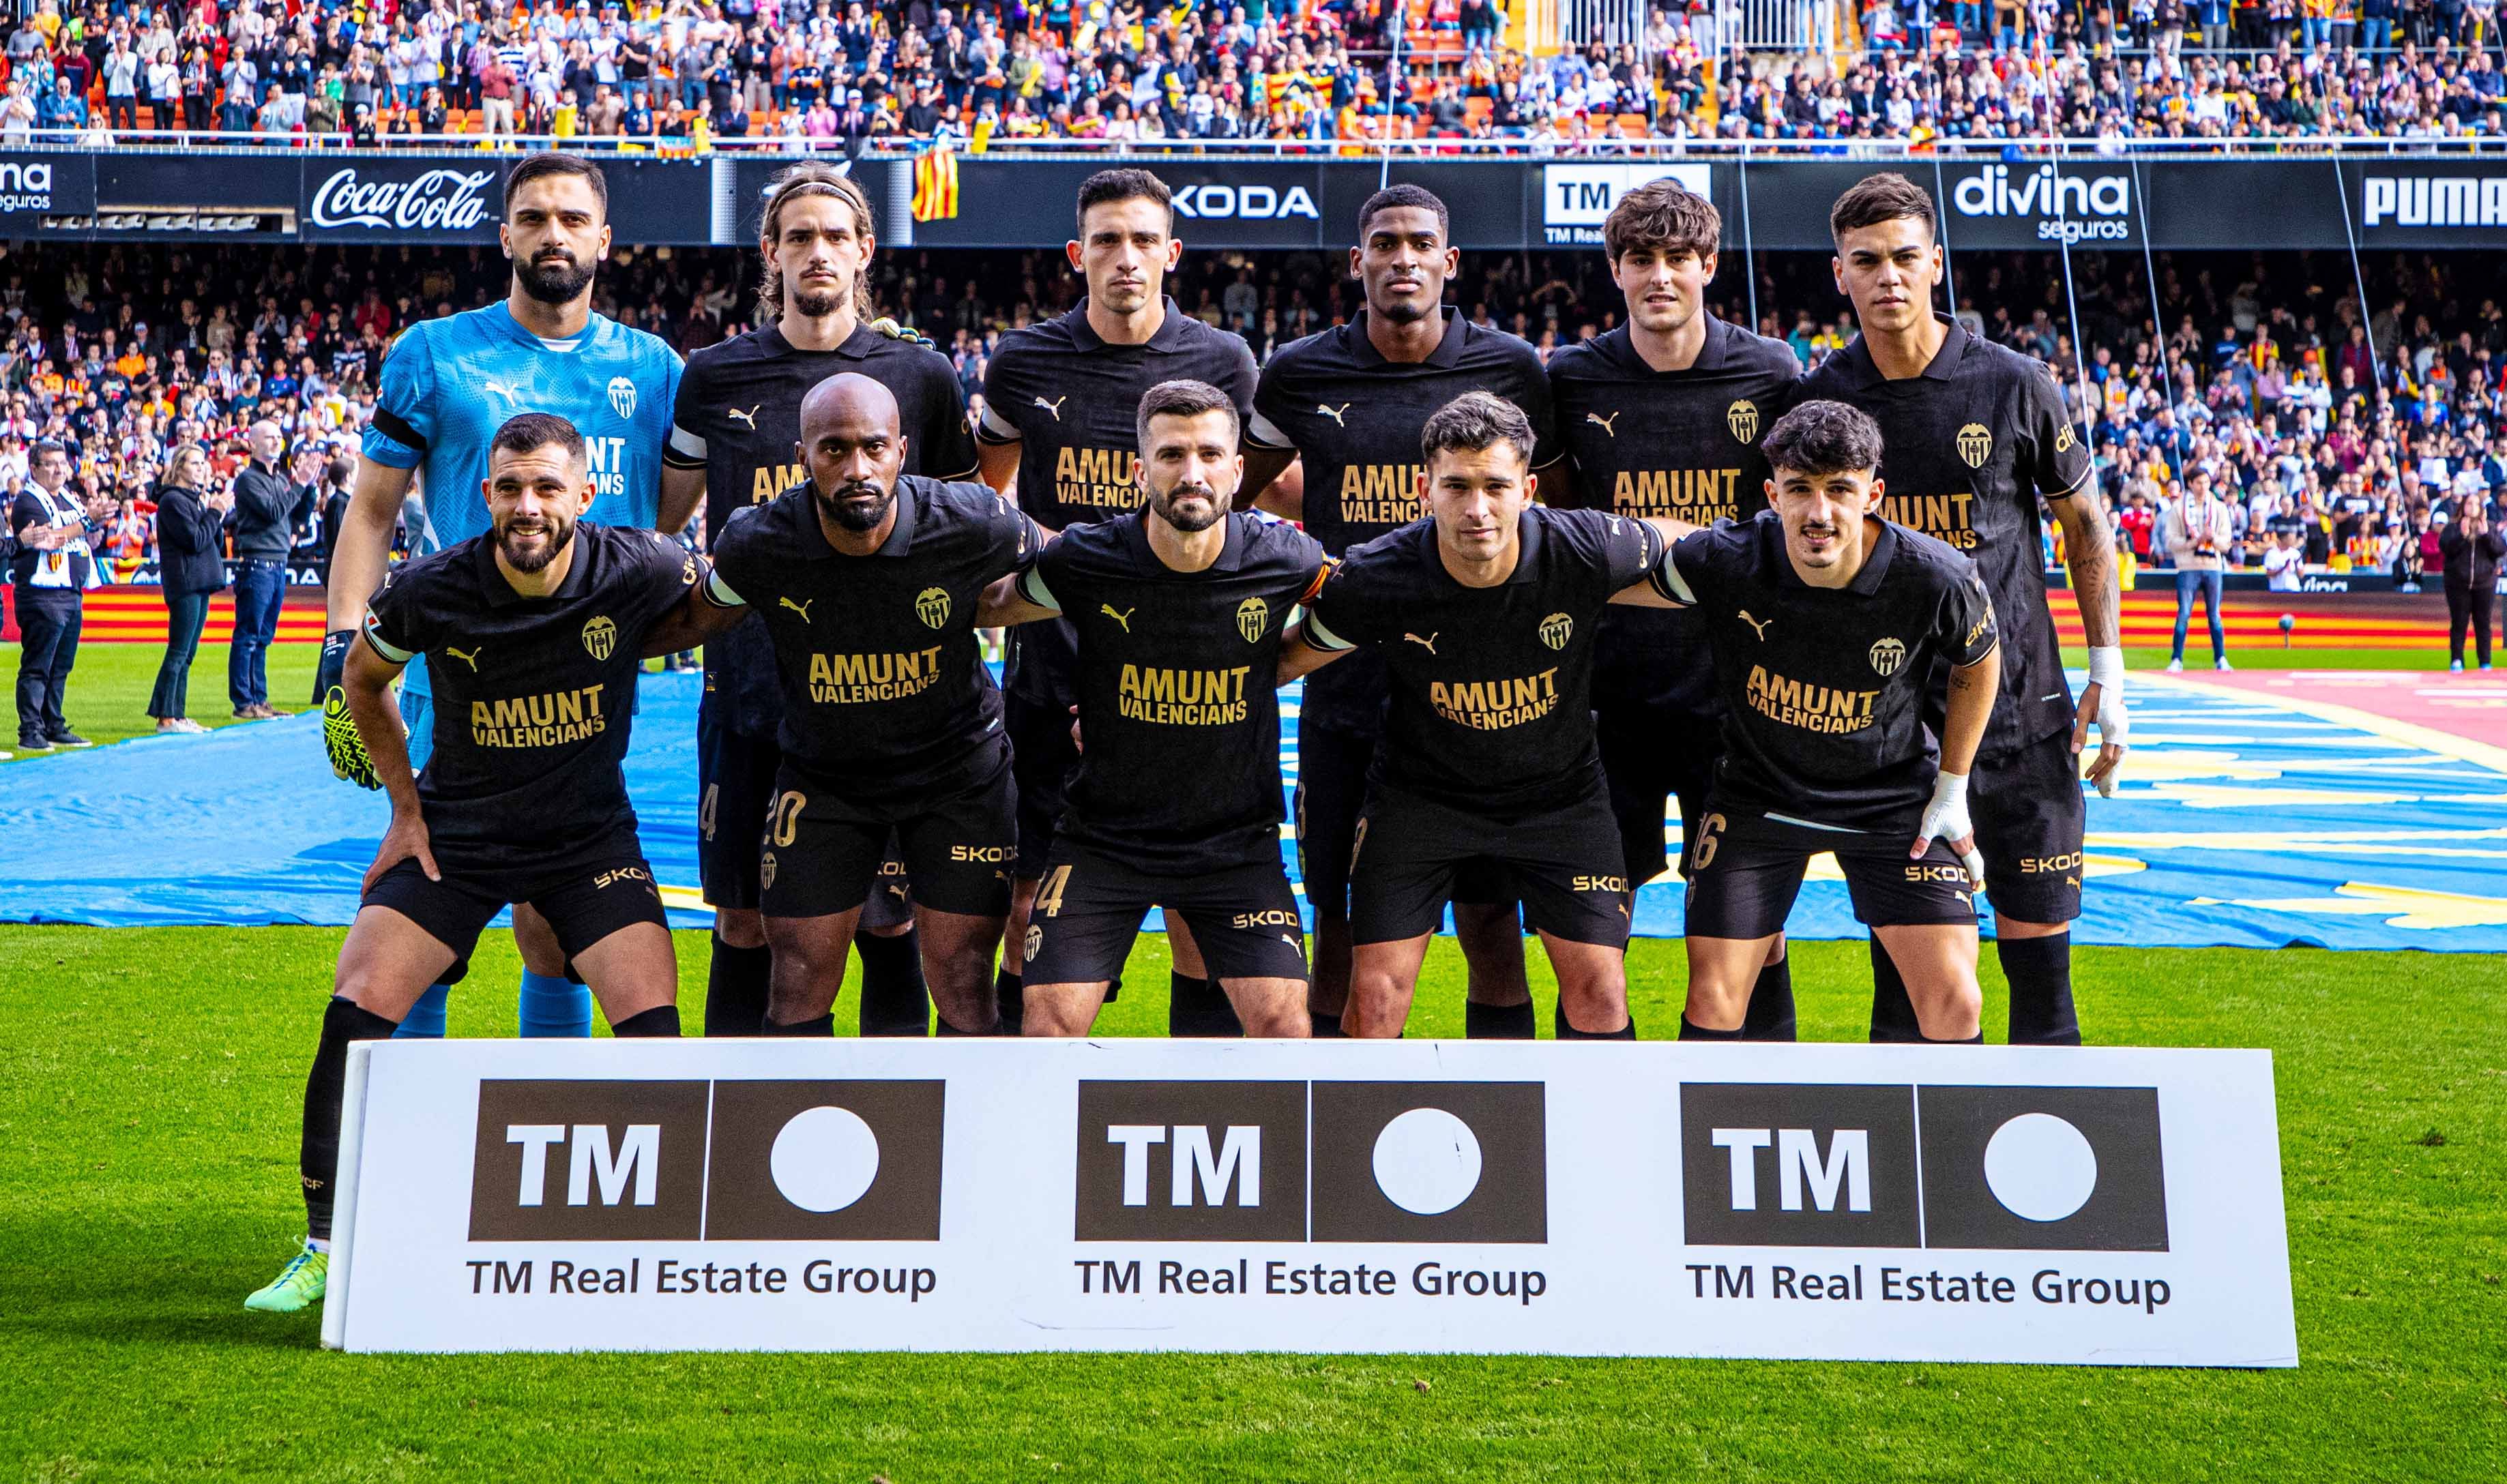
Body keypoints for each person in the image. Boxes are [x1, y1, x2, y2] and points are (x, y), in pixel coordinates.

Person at [246, 413, 710, 1316]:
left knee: (654, 1028)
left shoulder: (642, 565)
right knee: (358, 999)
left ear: (583, 494)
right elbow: (361, 683)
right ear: (485, 493)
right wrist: (404, 807)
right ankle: (326, 1247)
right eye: (509, 487)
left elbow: (721, 599)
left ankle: (653, 1244)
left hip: (587, 841)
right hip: (455, 833)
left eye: (546, 487)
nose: (526, 505)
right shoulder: (431, 587)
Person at [315, 152, 682, 1043]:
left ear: (604, 239)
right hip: (461, 669)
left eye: (569, 217)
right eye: (532, 217)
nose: (551, 233)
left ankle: (539, 1155)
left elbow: (664, 520)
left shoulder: (657, 369)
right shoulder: (434, 356)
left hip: (591, 684)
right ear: (505, 233)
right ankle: (410, 1139)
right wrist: (343, 649)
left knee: (560, 924)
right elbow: (370, 512)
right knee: (428, 915)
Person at [1799, 173, 2124, 1047]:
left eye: (1906, 256)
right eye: (1866, 261)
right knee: (1909, 988)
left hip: (2022, 713)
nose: (1888, 277)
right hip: (1897, 732)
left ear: (1936, 262)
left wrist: (2111, 674)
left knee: (2043, 986)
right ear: (1841, 275)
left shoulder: (2016, 384)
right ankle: (1919, 1181)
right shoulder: (1821, 402)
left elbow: (2085, 525)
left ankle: (2050, 1174)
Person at [662, 162, 976, 1039]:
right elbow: (667, 518)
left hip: (888, 701)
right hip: (751, 688)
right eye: (798, 236)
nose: (818, 252)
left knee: (888, 917)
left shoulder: (922, 374)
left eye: (836, 235)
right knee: (743, 918)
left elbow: (963, 525)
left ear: (865, 249)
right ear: (771, 252)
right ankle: (739, 1128)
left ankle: (901, 1131)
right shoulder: (714, 376)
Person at [1239, 183, 1556, 1041]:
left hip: (1478, 689)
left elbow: (1552, 510)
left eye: (1421, 243)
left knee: (1490, 922)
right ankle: (1330, 1117)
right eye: (1385, 243)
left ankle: (1507, 1108)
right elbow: (1243, 488)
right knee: (1335, 916)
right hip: (1347, 684)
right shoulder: (1301, 371)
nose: (1403, 258)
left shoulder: (1514, 369)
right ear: (1359, 261)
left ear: (1450, 263)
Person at [1293, 391, 1695, 1039]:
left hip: (1559, 801)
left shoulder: (1588, 546)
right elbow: (1280, 662)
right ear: (1424, 489)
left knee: (1600, 989)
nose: (1476, 509)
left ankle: (1595, 1140)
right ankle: (1352, 1137)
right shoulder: (1378, 575)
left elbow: (1696, 548)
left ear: (1529, 488)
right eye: (1455, 486)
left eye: (1495, 486)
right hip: (1420, 802)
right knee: (1373, 1002)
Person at [976, 168, 1258, 1035]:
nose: (1125, 258)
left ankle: (1198, 1105)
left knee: (1194, 915)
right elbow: (990, 498)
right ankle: (1024, 1107)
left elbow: (1223, 509)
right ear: (1077, 254)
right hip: (1052, 661)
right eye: (1106, 240)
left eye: (1143, 240)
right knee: (1028, 901)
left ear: (1172, 254)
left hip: (1185, 667)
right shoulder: (1023, 360)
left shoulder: (1224, 361)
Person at [984, 379, 1328, 1039]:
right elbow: (993, 605)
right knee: (1048, 1022)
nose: (1191, 472)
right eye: (1171, 455)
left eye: (1208, 455)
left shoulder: (1287, 558)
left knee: (1286, 1025)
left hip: (1234, 845)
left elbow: (1348, 610)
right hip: (1104, 839)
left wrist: (1278, 662)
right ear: (1141, 471)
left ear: (1237, 469)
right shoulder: (1086, 559)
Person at [1544, 178, 1804, 1041]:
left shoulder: (1770, 373)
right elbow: (1556, 531)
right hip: (1604, 699)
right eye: (1641, 259)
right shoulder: (1572, 379)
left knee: (1748, 939)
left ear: (1709, 266)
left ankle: (1756, 1110)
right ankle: (1591, 1129)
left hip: (1731, 699)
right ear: (1615, 271)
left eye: (1678, 259)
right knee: (1590, 940)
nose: (1660, 276)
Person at [705, 372, 1042, 1037]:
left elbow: (1076, 571)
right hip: (824, 778)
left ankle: (967, 1138)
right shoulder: (756, 540)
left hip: (958, 774)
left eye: (873, 447)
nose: (856, 467)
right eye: (834, 449)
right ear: (802, 457)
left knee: (965, 982)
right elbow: (685, 615)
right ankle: (798, 1134)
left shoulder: (973, 519)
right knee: (796, 979)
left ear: (902, 452)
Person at [1657, 400, 2000, 1043]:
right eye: (1800, 491)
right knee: (1712, 999)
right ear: (1772, 493)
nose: (1819, 513)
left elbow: (1979, 661)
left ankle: (1929, 1141)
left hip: (1892, 800)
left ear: (1873, 493)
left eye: (1839, 490)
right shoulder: (1725, 557)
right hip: (1760, 799)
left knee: (1955, 1003)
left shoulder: (1936, 576)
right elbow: (1614, 566)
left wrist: (1952, 789)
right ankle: (1727, 1133)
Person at [10, 440, 96, 752]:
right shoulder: (28, 503)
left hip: (70, 591)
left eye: (63, 462)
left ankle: (52, 722)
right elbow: (48, 539)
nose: (60, 469)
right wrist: (87, 522)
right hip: (42, 594)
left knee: (61, 665)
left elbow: (86, 535)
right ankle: (30, 730)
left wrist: (93, 522)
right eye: (51, 463)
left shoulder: (68, 500)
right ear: (34, 469)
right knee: (38, 665)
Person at [226, 418, 308, 720]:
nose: (276, 441)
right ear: (252, 444)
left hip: (276, 561)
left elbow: (296, 513)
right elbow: (274, 512)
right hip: (258, 563)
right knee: (249, 635)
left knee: (263, 636)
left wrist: (308, 486)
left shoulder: (278, 479)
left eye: (278, 436)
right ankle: (244, 702)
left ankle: (259, 699)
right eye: (269, 437)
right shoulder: (248, 479)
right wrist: (300, 485)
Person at [149, 443, 229, 734]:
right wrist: (215, 513)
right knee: (179, 650)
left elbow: (214, 542)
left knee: (188, 652)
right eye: (195, 463)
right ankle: (166, 717)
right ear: (179, 467)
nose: (202, 468)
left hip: (199, 580)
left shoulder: (192, 499)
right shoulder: (172, 501)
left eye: (203, 463)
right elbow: (194, 540)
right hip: (185, 581)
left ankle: (177, 714)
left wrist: (213, 513)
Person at [2167, 471, 2233, 673]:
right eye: (2199, 483)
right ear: (2190, 484)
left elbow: (2227, 542)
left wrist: (2212, 539)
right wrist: (2195, 541)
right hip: (2188, 566)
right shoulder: (2178, 509)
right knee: (2184, 613)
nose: (2203, 486)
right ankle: (2177, 658)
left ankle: (2220, 657)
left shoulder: (2219, 508)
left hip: (2213, 566)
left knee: (2214, 615)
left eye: (2206, 482)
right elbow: (2171, 542)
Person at [2440, 503, 2504, 670]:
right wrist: (2462, 536)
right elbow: (2446, 549)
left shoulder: (2489, 527)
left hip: (2485, 583)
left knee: (2483, 623)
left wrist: (2486, 535)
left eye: (2476, 504)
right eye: (2469, 503)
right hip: (2458, 583)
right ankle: (2457, 660)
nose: (2472, 507)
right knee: (2459, 623)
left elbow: (2500, 550)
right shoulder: (2453, 527)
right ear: (2463, 507)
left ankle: (2485, 661)